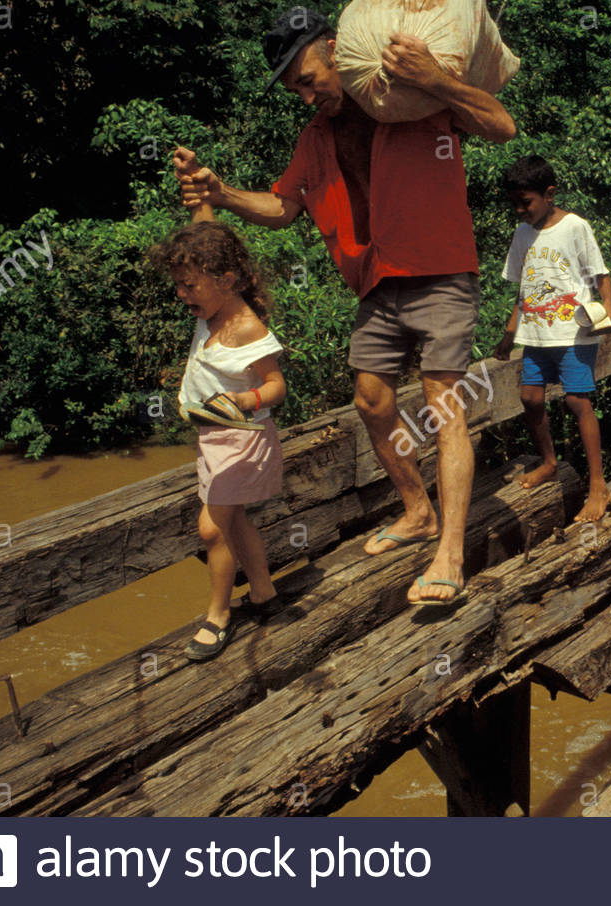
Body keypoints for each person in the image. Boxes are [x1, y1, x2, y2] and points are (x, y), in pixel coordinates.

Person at [175, 8, 516, 606]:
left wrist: (435, 78)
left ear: (335, 50)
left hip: (439, 268)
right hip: (376, 281)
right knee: (371, 400)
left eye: (309, 79)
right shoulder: (317, 137)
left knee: (443, 405)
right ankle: (418, 511)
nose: (307, 95)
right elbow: (284, 207)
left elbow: (500, 125)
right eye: (296, 90)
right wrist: (220, 193)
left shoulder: (406, 95)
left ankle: (451, 554)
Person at [154, 212, 287, 661]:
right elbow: (206, 232)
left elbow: (276, 387)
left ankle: (218, 615)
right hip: (212, 441)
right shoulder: (209, 310)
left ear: (226, 281)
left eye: (190, 285)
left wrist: (246, 401)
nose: (181, 294)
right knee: (234, 523)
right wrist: (199, 192)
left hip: (244, 440)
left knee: (212, 529)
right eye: (179, 284)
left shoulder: (247, 327)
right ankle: (264, 591)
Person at [493, 156, 611, 521]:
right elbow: (523, 289)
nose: (519, 210)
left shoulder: (575, 227)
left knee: (577, 402)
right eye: (514, 203)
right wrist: (509, 333)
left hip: (573, 332)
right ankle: (548, 462)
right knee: (530, 398)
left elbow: (600, 274)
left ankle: (598, 484)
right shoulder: (522, 234)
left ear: (549, 194)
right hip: (536, 334)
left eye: (525, 202)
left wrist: (607, 311)